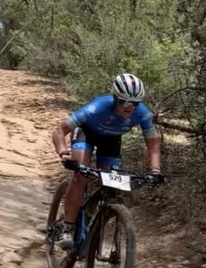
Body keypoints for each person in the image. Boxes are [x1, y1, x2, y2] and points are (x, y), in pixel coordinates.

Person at [50, 73, 164, 248]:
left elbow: (153, 143)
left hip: (111, 140)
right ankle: (68, 226)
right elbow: (60, 129)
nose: (130, 107)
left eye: (135, 103)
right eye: (124, 101)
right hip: (86, 134)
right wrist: (63, 153)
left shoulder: (143, 113)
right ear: (115, 98)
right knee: (80, 175)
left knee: (112, 185)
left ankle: (90, 215)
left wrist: (155, 170)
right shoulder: (97, 107)